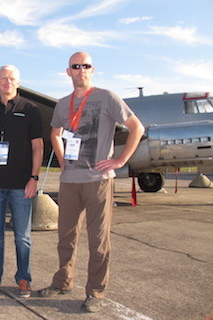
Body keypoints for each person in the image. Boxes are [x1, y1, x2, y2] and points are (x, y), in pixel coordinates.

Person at [37, 52, 144, 312]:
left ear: (92, 70)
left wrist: (119, 161)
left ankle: (95, 292)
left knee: (98, 240)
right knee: (66, 237)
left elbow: (136, 128)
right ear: (68, 72)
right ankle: (63, 282)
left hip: (98, 181)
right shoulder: (63, 104)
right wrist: (62, 162)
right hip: (70, 180)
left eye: (85, 65)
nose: (80, 70)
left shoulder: (107, 97)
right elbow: (55, 133)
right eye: (76, 66)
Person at [0, 64, 44, 298]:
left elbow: (38, 146)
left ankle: (23, 278)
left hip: (21, 184)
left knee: (22, 237)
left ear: (18, 82)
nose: (7, 82)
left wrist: (34, 178)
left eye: (12, 78)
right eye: (3, 78)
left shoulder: (30, 109)